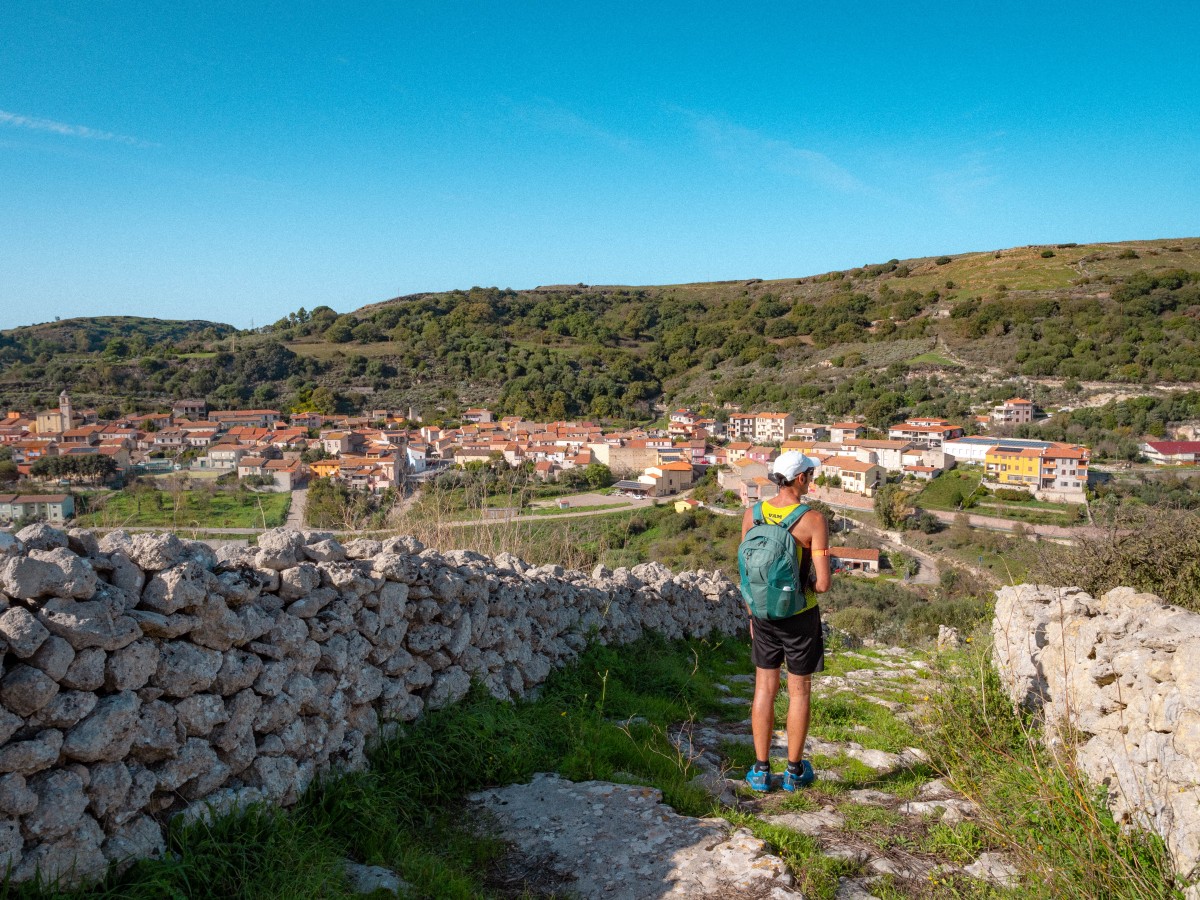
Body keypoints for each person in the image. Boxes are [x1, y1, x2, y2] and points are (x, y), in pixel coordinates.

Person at [740, 450, 831, 792]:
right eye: (809, 473)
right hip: (798, 615)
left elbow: (749, 574)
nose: (811, 478)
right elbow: (822, 584)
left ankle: (761, 771)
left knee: (764, 688)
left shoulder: (753, 513)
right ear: (799, 478)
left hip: (762, 614)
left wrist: (752, 612)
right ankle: (794, 772)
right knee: (798, 691)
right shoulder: (812, 520)